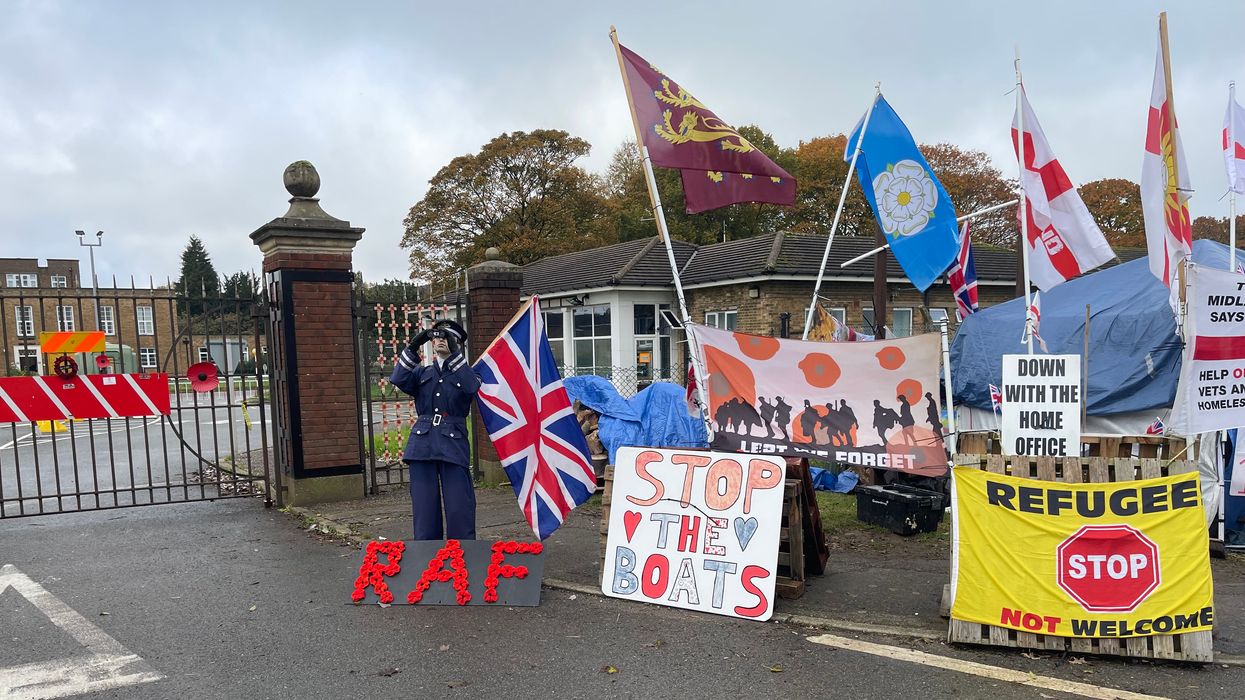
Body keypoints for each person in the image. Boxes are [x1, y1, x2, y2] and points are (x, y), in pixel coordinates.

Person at [390, 319, 480, 540]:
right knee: (424, 507)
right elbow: (398, 378)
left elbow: (472, 387)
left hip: (453, 444)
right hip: (422, 444)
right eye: (437, 336)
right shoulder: (423, 373)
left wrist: (455, 355)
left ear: (458, 343)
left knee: (459, 505)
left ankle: (461, 553)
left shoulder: (467, 373)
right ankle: (427, 554)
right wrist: (413, 347)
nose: (440, 340)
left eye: (447, 337)